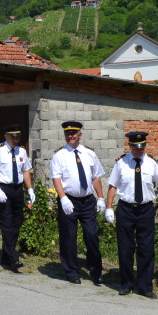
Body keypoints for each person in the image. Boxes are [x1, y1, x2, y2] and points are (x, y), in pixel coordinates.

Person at [105, 131, 158, 297]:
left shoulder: (152, 164)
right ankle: (126, 284)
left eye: (141, 147)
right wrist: (109, 207)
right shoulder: (121, 163)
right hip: (125, 209)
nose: (138, 150)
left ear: (144, 146)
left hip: (146, 210)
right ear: (130, 146)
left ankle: (145, 287)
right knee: (125, 248)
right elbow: (112, 186)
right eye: (135, 147)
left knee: (146, 249)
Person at [51, 121, 106, 285]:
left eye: (73, 133)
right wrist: (63, 198)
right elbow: (56, 178)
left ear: (79, 135)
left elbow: (96, 176)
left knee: (92, 236)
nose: (70, 136)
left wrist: (101, 197)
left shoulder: (89, 153)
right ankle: (71, 272)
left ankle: (96, 271)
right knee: (69, 238)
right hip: (68, 200)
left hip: (88, 201)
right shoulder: (59, 155)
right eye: (68, 133)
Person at [0, 125, 34, 273]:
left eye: (18, 137)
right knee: (6, 223)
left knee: (16, 222)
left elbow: (25, 171)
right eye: (12, 136)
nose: (15, 139)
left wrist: (30, 189)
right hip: (4, 189)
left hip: (17, 189)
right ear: (6, 136)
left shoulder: (22, 151)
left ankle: (6, 256)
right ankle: (13, 257)